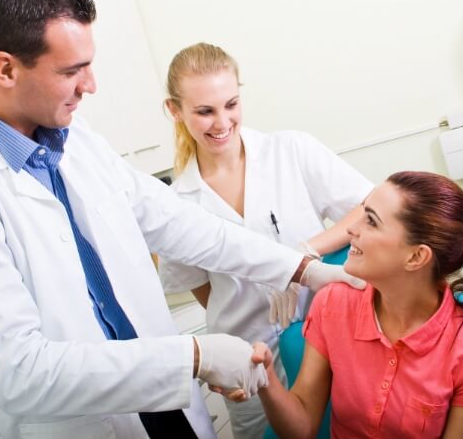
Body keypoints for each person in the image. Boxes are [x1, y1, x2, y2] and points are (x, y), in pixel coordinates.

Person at [0, 0, 362, 439]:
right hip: (74, 423)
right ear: (5, 69)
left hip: (162, 401)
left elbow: (179, 223)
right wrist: (197, 355)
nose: (91, 85)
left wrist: (302, 268)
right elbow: (17, 371)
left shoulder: (74, 136)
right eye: (71, 71)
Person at [158, 42, 374, 438]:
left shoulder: (291, 150)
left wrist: (305, 255)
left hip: (326, 340)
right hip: (248, 360)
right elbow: (202, 290)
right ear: (174, 110)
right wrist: (251, 302)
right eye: (204, 111)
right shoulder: (176, 203)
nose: (222, 121)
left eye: (231, 104)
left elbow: (369, 207)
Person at [248, 171, 463, 438]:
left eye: (371, 220)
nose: (350, 229)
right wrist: (266, 380)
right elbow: (302, 428)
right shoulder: (332, 304)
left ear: (416, 257)